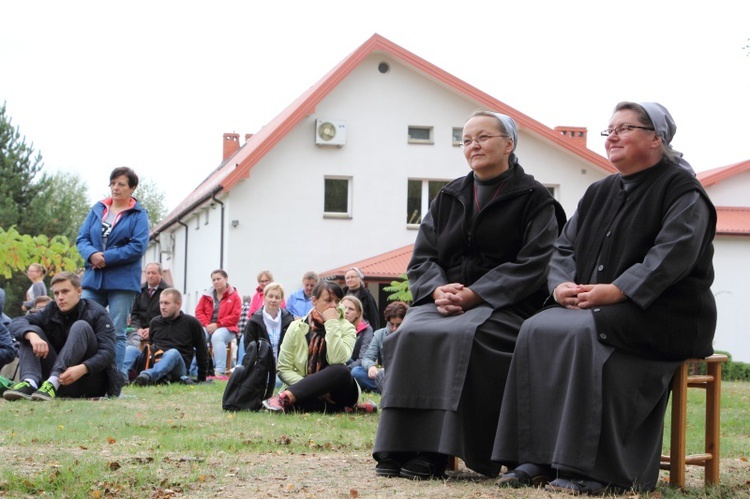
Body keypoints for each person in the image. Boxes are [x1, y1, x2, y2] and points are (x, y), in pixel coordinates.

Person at [492, 102, 717, 494]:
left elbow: (672, 255)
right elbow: (563, 249)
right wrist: (560, 285)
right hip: (596, 306)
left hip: (665, 313)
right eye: (609, 129)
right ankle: (537, 458)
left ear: (656, 139)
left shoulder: (683, 191)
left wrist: (619, 290)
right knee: (535, 327)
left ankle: (599, 471)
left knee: (586, 332)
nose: (611, 136)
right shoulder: (599, 191)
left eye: (624, 128)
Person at [372, 111, 565, 479]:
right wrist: (436, 288)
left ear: (508, 144)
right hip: (445, 299)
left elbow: (536, 263)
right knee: (410, 332)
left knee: (466, 337)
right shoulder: (449, 196)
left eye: (483, 137)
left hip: (507, 304)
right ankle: (399, 446)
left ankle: (435, 452)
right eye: (466, 140)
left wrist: (477, 294)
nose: (473, 145)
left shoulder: (535, 199)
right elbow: (423, 256)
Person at [3, 271, 123, 401]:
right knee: (30, 331)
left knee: (80, 326)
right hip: (57, 384)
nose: (60, 297)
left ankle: (52, 382)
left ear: (79, 291)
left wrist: (84, 368)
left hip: (89, 380)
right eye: (56, 293)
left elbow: (108, 352)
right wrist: (31, 335)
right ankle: (29, 382)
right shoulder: (51, 310)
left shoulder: (97, 313)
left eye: (65, 292)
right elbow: (16, 323)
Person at [261, 281, 376, 414]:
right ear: (314, 301)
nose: (334, 305)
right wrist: (311, 388)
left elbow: (337, 359)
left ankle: (284, 398)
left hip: (337, 391)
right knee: (307, 404)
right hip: (304, 391)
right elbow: (283, 368)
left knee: (341, 370)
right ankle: (348, 409)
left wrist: (332, 323)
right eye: (328, 300)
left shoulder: (347, 327)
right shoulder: (296, 327)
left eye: (337, 301)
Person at [76, 166, 149, 373]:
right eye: (113, 183)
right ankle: (85, 376)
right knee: (85, 326)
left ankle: (112, 380)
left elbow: (138, 246)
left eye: (121, 184)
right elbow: (82, 238)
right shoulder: (97, 209)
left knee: (116, 332)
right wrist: (91, 254)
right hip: (94, 278)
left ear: (132, 188)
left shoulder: (139, 215)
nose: (115, 188)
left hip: (122, 282)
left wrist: (105, 258)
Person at [133, 288, 209, 386]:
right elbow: (151, 346)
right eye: (160, 303)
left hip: (178, 368)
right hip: (156, 361)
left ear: (178, 304)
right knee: (131, 350)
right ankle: (121, 377)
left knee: (173, 353)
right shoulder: (155, 322)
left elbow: (202, 350)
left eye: (166, 303)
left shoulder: (191, 323)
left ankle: (147, 376)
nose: (162, 307)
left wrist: (201, 378)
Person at [243, 282, 294, 387]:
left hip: (283, 368)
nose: (273, 300)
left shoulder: (289, 320)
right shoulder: (254, 322)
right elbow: (249, 350)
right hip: (261, 369)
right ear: (264, 297)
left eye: (277, 297)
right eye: (270, 296)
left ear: (281, 300)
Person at [352, 301, 408, 394]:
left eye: (398, 325)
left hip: (404, 375)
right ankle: (390, 389)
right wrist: (371, 367)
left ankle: (387, 389)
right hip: (384, 374)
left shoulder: (411, 335)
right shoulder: (379, 334)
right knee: (356, 371)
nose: (394, 328)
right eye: (391, 324)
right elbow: (367, 357)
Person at [123, 262, 169, 375]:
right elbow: (134, 314)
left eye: (153, 273)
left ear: (160, 274)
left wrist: (151, 329)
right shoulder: (139, 290)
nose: (150, 276)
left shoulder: (167, 291)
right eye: (148, 273)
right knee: (130, 343)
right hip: (139, 329)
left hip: (159, 329)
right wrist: (138, 328)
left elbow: (166, 316)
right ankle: (129, 370)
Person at [194, 269, 241, 376]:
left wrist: (217, 325)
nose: (216, 282)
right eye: (214, 280)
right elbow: (199, 311)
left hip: (228, 328)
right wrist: (207, 325)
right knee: (197, 335)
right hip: (208, 326)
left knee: (217, 337)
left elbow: (235, 316)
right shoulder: (206, 295)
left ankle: (220, 371)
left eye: (218, 279)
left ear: (226, 279)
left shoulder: (234, 296)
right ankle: (195, 368)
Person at [341, 295, 373, 369]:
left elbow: (363, 358)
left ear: (358, 313)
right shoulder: (333, 325)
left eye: (351, 309)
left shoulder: (366, 329)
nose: (346, 311)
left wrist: (346, 369)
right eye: (344, 307)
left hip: (353, 366)